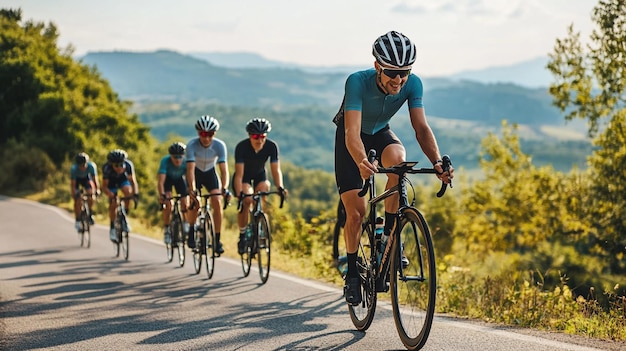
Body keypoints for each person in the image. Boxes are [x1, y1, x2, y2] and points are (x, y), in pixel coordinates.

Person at [333, 31, 454, 305]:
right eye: (391, 72)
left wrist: (436, 161)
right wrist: (362, 162)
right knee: (356, 213)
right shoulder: (357, 82)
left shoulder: (413, 84)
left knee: (399, 165)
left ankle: (389, 237)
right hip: (351, 139)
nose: (399, 79)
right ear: (377, 66)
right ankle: (352, 272)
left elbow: (421, 128)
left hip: (381, 132)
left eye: (405, 72)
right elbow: (352, 133)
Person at [232, 118, 288, 255]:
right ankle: (243, 234)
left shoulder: (271, 146)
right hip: (244, 176)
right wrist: (240, 194)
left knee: (265, 188)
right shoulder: (242, 147)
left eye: (262, 136)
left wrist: (280, 187)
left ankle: (259, 225)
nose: (259, 140)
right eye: (256, 136)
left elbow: (276, 170)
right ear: (250, 136)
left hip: (260, 175)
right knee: (247, 200)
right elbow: (239, 175)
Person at [186, 115, 230, 254]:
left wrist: (224, 187)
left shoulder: (219, 145)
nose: (206, 138)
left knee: (217, 200)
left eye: (210, 134)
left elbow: (224, 170)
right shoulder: (192, 145)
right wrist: (192, 189)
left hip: (211, 173)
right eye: (203, 134)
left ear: (214, 134)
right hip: (196, 174)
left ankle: (217, 240)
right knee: (195, 202)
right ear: (198, 133)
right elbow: (190, 170)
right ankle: (191, 230)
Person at [102, 149, 139, 242]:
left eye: (121, 164)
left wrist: (135, 194)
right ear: (111, 164)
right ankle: (112, 228)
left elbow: (133, 182)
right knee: (113, 203)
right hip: (111, 182)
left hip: (123, 180)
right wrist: (111, 194)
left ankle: (125, 217)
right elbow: (104, 187)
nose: (119, 167)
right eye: (116, 165)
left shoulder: (128, 165)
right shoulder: (107, 168)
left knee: (128, 192)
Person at [157, 142, 190, 244]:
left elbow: (189, 178)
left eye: (180, 157)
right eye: (175, 157)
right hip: (168, 180)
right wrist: (162, 195)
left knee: (185, 201)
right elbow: (161, 182)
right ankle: (167, 229)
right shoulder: (165, 161)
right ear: (170, 156)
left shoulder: (186, 162)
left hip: (180, 179)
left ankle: (185, 222)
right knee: (168, 203)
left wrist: (190, 191)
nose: (177, 159)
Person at [70, 152, 100, 231]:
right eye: (80, 165)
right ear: (77, 164)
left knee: (91, 194)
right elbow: (73, 185)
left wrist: (97, 190)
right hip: (77, 180)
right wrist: (74, 195)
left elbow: (95, 180)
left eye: (84, 165)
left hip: (86, 179)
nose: (82, 167)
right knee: (78, 200)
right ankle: (78, 220)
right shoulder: (74, 169)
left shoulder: (91, 166)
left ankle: (90, 213)